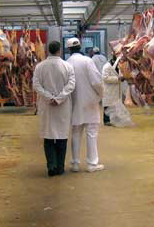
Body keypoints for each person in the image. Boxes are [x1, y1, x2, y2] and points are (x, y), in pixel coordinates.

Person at [32, 41, 76, 177]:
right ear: (60, 50)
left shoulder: (40, 67)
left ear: (47, 50)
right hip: (62, 106)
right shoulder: (67, 66)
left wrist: (49, 97)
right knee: (62, 137)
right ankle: (60, 167)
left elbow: (36, 85)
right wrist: (59, 98)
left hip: (47, 106)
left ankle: (51, 166)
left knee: (48, 136)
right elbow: (71, 85)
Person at [66, 37, 105, 173]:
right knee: (91, 132)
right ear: (80, 47)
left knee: (76, 133)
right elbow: (96, 81)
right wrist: (101, 95)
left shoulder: (67, 63)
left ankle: (75, 163)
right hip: (90, 101)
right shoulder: (87, 61)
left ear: (68, 49)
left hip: (74, 102)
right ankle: (92, 164)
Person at [102, 56, 134, 127]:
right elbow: (105, 78)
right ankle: (106, 120)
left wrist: (124, 77)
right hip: (109, 90)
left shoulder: (118, 67)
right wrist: (118, 78)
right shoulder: (106, 67)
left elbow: (121, 75)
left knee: (115, 105)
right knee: (107, 105)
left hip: (116, 89)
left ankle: (115, 119)